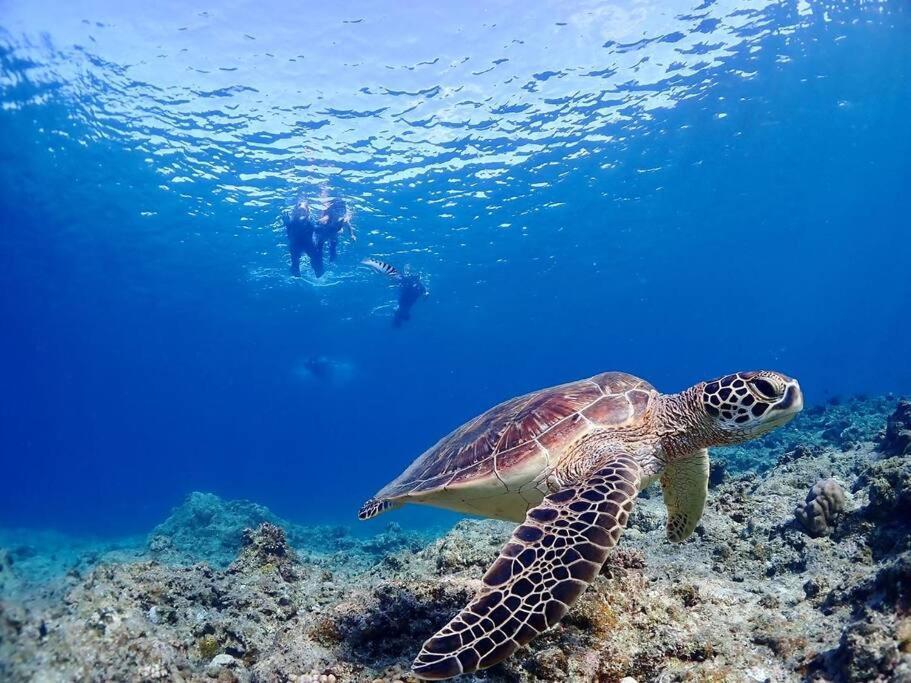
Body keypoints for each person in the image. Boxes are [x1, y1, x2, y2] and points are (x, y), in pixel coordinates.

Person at [361, 258, 427, 327]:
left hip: (410, 293)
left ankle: (372, 262)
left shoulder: (404, 304)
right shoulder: (404, 304)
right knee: (398, 278)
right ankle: (371, 262)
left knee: (398, 278)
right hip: (410, 293)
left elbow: (422, 293)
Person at [282, 200, 323, 277]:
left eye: (303, 211)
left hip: (309, 244)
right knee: (295, 262)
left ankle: (317, 272)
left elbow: (317, 230)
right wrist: (286, 223)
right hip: (296, 244)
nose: (301, 213)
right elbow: (289, 234)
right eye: (299, 211)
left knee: (316, 263)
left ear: (307, 212)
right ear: (295, 212)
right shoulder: (291, 222)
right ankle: (295, 271)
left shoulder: (310, 223)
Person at [315, 197, 356, 264]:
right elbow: (321, 220)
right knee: (319, 246)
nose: (340, 213)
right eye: (337, 210)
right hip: (324, 233)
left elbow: (349, 226)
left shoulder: (344, 220)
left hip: (334, 234)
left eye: (342, 210)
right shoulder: (328, 216)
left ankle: (331, 261)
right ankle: (318, 259)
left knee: (333, 247)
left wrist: (352, 235)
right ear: (333, 210)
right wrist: (320, 222)